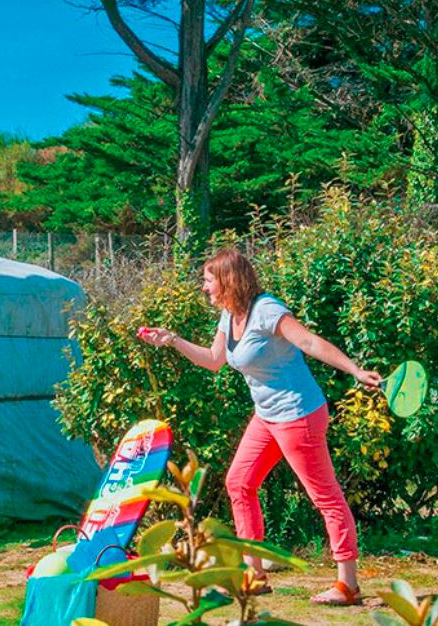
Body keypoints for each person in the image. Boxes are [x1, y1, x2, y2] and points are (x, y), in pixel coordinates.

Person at [139, 248, 381, 606]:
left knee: (325, 496)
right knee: (239, 482)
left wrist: (355, 370)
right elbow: (213, 361)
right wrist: (172, 339)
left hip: (299, 415)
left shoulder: (266, 310)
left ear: (228, 280)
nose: (205, 288)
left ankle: (348, 585)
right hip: (267, 417)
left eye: (209, 281)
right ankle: (254, 574)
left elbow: (309, 342)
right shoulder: (229, 315)